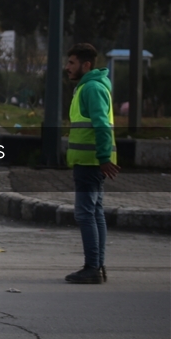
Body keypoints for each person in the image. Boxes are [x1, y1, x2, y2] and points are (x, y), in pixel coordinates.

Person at [63, 43, 120, 284]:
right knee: (95, 213)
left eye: (72, 63)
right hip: (90, 161)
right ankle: (97, 265)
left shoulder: (92, 88)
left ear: (86, 65)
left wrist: (104, 158)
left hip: (90, 162)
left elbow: (101, 125)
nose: (67, 67)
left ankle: (92, 267)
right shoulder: (88, 87)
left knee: (86, 214)